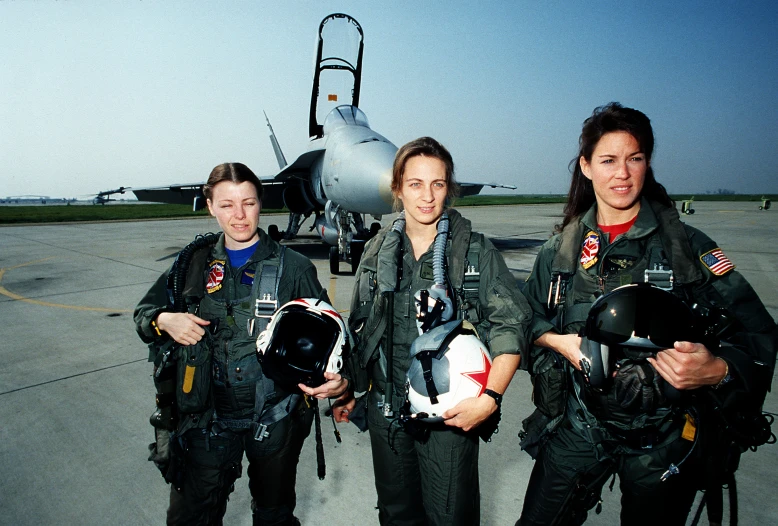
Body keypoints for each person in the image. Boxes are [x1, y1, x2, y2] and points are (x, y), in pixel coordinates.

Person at [516, 103, 777, 525]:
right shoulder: (561, 251)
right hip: (580, 426)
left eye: (634, 159)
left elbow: (758, 335)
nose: (622, 173)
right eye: (608, 160)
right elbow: (524, 317)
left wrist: (716, 370)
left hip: (663, 440)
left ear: (647, 164)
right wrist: (554, 340)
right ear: (585, 167)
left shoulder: (687, 249)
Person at [134, 162, 349, 525]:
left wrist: (341, 386)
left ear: (260, 204)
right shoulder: (191, 265)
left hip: (274, 415)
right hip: (206, 416)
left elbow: (333, 338)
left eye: (248, 203)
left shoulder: (292, 267)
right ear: (210, 207)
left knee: (273, 515)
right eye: (227, 205)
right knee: (191, 516)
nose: (239, 215)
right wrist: (164, 320)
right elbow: (144, 314)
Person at [335, 137, 532, 525]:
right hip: (387, 410)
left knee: (450, 517)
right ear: (397, 188)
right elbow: (360, 328)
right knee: (395, 516)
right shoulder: (376, 251)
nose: (427, 196)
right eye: (415, 184)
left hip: (449, 417)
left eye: (438, 184)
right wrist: (348, 390)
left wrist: (490, 398)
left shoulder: (472, 252)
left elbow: (510, 326)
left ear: (449, 188)